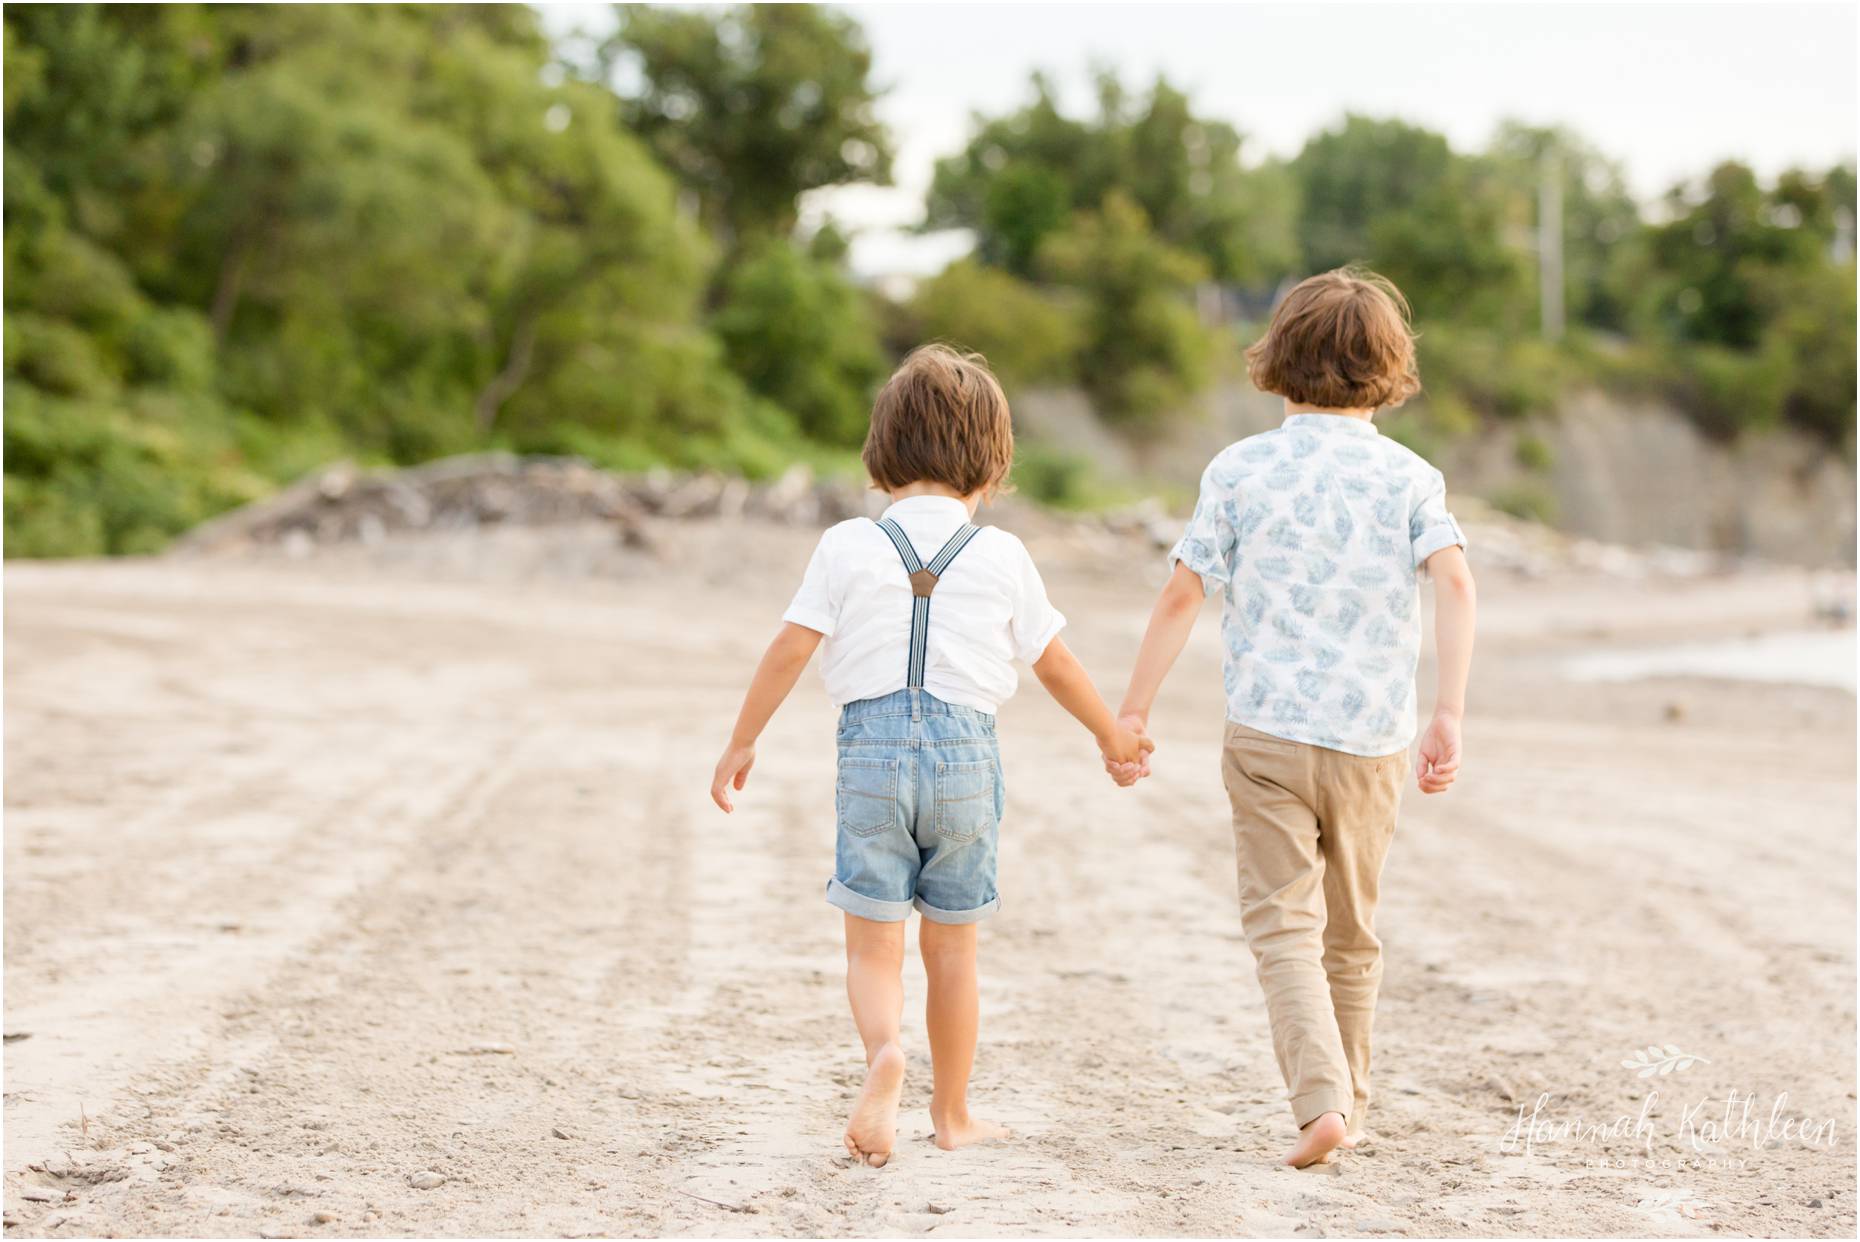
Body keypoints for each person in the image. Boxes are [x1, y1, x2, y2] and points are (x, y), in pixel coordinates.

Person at [710, 344, 1153, 1167]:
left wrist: (744, 740)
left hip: (871, 756)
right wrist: (1112, 735)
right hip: (966, 762)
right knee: (953, 950)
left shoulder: (846, 544)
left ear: (882, 455)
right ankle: (952, 1116)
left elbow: (789, 648)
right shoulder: (1003, 555)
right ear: (991, 463)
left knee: (871, 945)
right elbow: (1054, 662)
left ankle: (884, 1053)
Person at [1110, 268, 1478, 1168]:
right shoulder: (1409, 476)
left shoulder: (1238, 469)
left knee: (1282, 925)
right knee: (1354, 932)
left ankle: (1322, 1104)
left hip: (1268, 733)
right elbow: (1456, 581)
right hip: (1372, 740)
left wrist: (1133, 708)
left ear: (1277, 358)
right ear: (1390, 368)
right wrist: (1449, 714)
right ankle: (1347, 1096)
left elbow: (1181, 595)